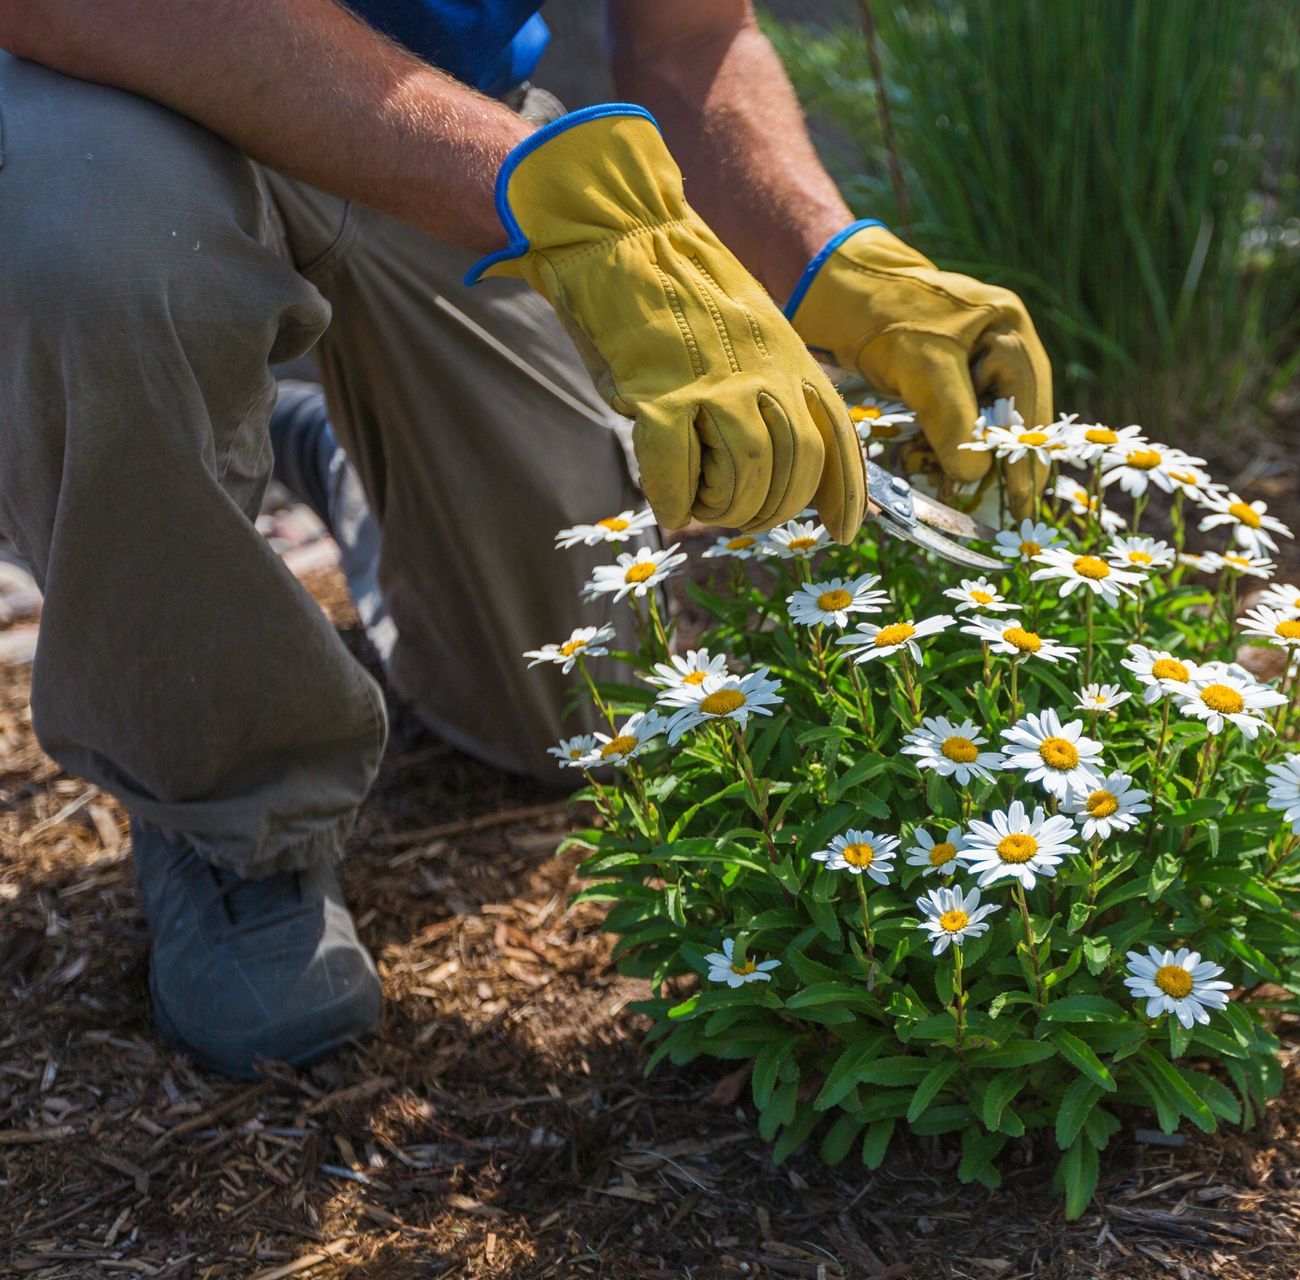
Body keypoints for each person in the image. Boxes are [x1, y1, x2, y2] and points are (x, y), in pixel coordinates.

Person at [0, 0, 1051, 1077]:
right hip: (123, 107)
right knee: (87, 246)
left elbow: (695, 39)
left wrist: (834, 258)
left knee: (573, 704)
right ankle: (222, 816)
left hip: (442, 127)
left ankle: (304, 440)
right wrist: (559, 201)